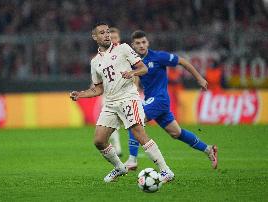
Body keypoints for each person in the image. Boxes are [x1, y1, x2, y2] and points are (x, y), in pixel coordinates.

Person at [70, 23, 174, 183]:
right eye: (102, 33)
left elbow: (143, 68)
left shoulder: (123, 48)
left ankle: (166, 171)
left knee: (139, 133)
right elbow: (98, 89)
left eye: (108, 32)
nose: (106, 35)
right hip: (110, 103)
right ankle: (120, 167)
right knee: (99, 140)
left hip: (128, 98)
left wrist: (132, 72)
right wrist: (81, 94)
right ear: (94, 37)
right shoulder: (95, 62)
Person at [124, 30, 218, 170]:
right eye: (138, 43)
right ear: (133, 45)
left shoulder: (158, 57)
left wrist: (199, 78)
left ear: (148, 43)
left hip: (160, 99)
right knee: (176, 133)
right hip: (153, 100)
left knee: (134, 120)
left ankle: (132, 160)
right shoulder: (134, 62)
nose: (142, 45)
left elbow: (183, 62)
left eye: (144, 42)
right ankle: (208, 149)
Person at [108, 27, 122, 157]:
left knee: (134, 124)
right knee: (111, 123)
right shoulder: (102, 56)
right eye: (111, 39)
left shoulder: (125, 52)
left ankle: (133, 155)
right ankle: (117, 147)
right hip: (109, 95)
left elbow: (136, 71)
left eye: (115, 38)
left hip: (125, 94)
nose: (114, 41)